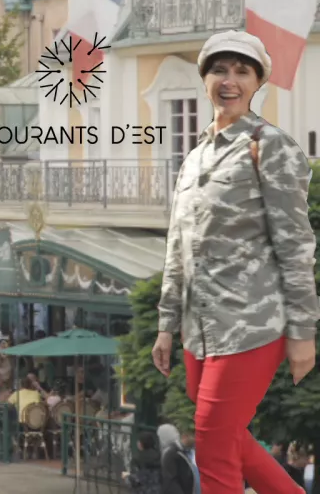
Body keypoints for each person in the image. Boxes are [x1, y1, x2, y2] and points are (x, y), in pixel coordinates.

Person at [153, 31, 318, 494]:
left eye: (242, 71)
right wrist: (166, 324)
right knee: (224, 432)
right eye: (220, 70)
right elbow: (177, 249)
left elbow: (296, 245)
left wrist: (303, 333)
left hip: (252, 321)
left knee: (212, 443)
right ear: (205, 79)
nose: (230, 80)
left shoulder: (272, 146)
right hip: (197, 327)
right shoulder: (193, 158)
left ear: (257, 82)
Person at [157, 424, 198, 494]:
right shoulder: (172, 453)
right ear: (185, 436)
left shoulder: (190, 451)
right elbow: (170, 481)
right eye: (194, 436)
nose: (197, 439)